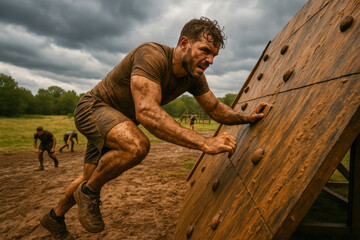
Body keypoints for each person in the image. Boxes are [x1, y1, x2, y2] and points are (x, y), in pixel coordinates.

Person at [39, 17, 269, 239]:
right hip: (94, 108)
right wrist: (204, 142)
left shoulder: (193, 76)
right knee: (137, 145)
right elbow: (147, 112)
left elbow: (216, 108)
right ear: (184, 43)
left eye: (214, 55)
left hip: (118, 123)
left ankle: (54, 217)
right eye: (205, 51)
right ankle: (89, 193)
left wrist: (248, 118)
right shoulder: (151, 54)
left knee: (89, 177)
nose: (210, 60)